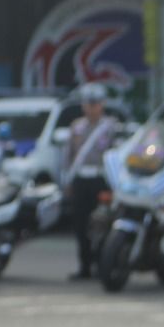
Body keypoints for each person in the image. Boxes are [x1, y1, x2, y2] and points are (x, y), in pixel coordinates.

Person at [63, 82, 122, 280]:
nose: (91, 107)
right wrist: (68, 181)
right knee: (80, 224)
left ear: (102, 104)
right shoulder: (77, 127)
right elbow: (68, 156)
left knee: (102, 223)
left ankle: (101, 263)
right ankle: (85, 266)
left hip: (101, 180)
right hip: (81, 179)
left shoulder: (110, 127)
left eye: (95, 103)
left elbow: (117, 155)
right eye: (88, 103)